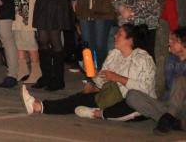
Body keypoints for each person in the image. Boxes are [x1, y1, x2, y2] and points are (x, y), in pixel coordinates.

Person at [21, 23, 156, 120]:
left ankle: (98, 113)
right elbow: (103, 83)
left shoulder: (143, 58)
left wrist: (118, 78)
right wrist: (93, 74)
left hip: (136, 103)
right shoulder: (115, 54)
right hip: (112, 97)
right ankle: (39, 106)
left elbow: (145, 89)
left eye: (120, 34)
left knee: (128, 103)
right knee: (79, 98)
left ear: (130, 40)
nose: (115, 36)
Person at [125, 27, 186, 135]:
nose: (169, 42)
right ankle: (173, 122)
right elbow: (168, 88)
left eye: (173, 40)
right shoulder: (170, 59)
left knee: (181, 81)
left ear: (183, 43)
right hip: (168, 105)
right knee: (131, 95)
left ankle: (168, 119)